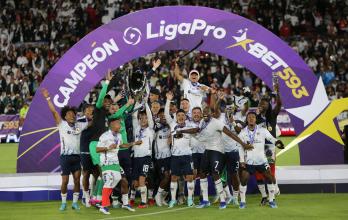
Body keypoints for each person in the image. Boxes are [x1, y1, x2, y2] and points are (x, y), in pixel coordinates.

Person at [177, 107, 252, 209]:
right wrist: (182, 130)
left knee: (215, 173)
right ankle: (205, 200)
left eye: (207, 112)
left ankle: (223, 201)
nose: (205, 114)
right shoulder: (203, 121)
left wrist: (242, 144)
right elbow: (196, 130)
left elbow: (230, 133)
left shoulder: (216, 123)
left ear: (212, 113)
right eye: (204, 112)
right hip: (207, 149)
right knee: (202, 173)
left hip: (217, 150)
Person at [41, 88, 88, 211]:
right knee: (65, 181)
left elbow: (92, 121)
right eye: (69, 114)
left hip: (77, 157)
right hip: (65, 158)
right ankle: (63, 203)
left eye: (73, 114)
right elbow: (54, 112)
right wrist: (47, 98)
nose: (72, 116)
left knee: (77, 180)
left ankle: (75, 203)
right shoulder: (62, 125)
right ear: (65, 117)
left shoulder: (80, 125)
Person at [238, 112, 284, 209]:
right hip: (249, 162)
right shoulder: (242, 132)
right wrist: (242, 160)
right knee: (243, 179)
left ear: (255, 119)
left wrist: (277, 143)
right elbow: (240, 147)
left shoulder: (263, 130)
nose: (251, 119)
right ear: (246, 119)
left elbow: (271, 138)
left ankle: (271, 200)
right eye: (249, 117)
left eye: (253, 117)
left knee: (270, 178)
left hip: (262, 161)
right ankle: (242, 202)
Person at [96, 118, 140, 215]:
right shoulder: (105, 136)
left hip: (116, 163)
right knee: (110, 181)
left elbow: (122, 145)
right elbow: (97, 149)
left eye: (120, 123)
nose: (120, 125)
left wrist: (134, 143)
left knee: (123, 181)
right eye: (117, 123)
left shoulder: (119, 135)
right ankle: (103, 205)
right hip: (107, 163)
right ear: (111, 124)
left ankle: (125, 203)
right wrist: (108, 147)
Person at [164, 92, 195, 208]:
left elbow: (196, 130)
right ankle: (172, 200)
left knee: (190, 177)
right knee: (174, 177)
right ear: (176, 117)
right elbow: (167, 114)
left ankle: (190, 199)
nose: (181, 117)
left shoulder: (189, 125)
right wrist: (168, 100)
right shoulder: (172, 124)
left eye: (182, 115)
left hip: (187, 155)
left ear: (185, 117)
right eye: (179, 116)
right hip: (175, 155)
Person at [255, 83, 283, 205]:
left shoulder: (272, 115)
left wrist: (277, 92)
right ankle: (264, 196)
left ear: (269, 105)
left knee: (270, 172)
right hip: (257, 147)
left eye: (265, 103)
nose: (262, 104)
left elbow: (280, 104)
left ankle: (272, 196)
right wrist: (256, 114)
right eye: (261, 103)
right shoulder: (254, 117)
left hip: (269, 147)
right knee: (259, 173)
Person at [108, 95, 135, 209]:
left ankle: (124, 199)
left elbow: (130, 108)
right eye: (112, 108)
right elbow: (118, 113)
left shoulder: (122, 117)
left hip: (125, 151)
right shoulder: (111, 118)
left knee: (127, 176)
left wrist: (133, 99)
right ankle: (114, 198)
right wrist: (127, 104)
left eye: (116, 107)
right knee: (116, 176)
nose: (115, 110)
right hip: (115, 152)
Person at [131, 102, 154, 208]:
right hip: (136, 159)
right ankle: (136, 198)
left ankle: (144, 202)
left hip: (146, 158)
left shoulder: (151, 130)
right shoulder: (136, 128)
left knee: (141, 180)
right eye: (141, 118)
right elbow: (134, 116)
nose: (143, 120)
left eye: (145, 118)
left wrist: (146, 103)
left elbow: (149, 116)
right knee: (135, 183)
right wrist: (137, 102)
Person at [79, 104, 98, 207]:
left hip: (95, 152)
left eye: (92, 111)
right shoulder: (80, 121)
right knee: (86, 174)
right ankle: (85, 196)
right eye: (88, 111)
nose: (91, 113)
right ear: (84, 112)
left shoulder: (97, 121)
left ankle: (93, 195)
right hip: (85, 152)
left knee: (96, 174)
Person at [153, 108, 171, 206]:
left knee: (171, 177)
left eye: (165, 115)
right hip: (160, 157)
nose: (163, 116)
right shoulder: (156, 126)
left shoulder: (170, 126)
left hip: (170, 155)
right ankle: (158, 195)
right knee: (166, 176)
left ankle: (163, 197)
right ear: (158, 116)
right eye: (161, 115)